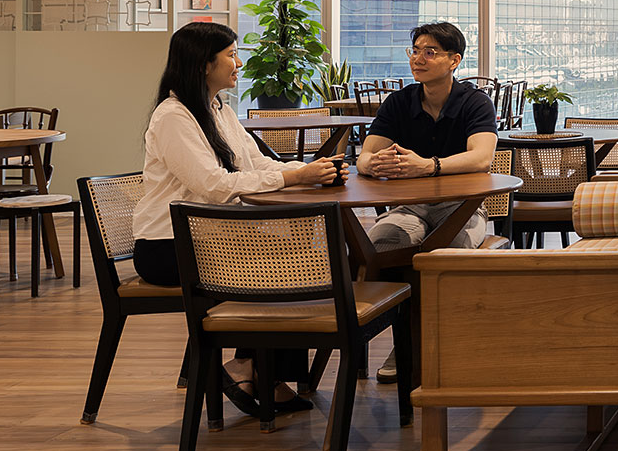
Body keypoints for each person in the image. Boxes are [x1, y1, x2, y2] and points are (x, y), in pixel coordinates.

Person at [132, 21, 345, 419]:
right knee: (290, 265)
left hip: (211, 240)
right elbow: (213, 185)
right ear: (202, 64)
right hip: (169, 247)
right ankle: (254, 368)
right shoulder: (173, 117)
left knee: (299, 254)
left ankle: (257, 368)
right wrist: (294, 176)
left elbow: (257, 162)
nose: (239, 62)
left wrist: (308, 170)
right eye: (230, 54)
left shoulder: (218, 109)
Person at [356, 21, 500, 382]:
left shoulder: (474, 102)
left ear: (454, 60)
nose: (419, 58)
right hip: (408, 207)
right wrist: (374, 164)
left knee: (447, 257)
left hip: (463, 206)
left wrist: (429, 166)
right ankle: (404, 343)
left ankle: (449, 344)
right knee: (380, 245)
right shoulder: (400, 102)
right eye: (416, 50)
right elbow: (364, 157)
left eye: (430, 52)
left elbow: (482, 158)